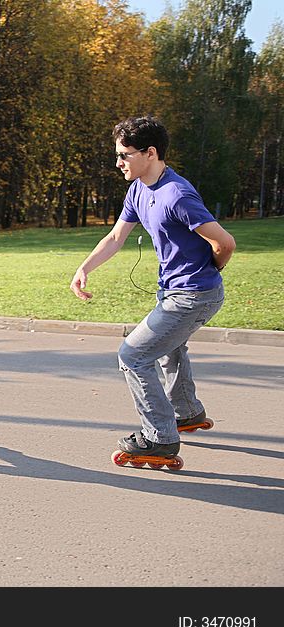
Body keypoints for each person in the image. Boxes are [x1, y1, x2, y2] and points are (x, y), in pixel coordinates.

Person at [70, 116, 236, 459]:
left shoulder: (177, 194)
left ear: (150, 153)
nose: (118, 162)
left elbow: (225, 242)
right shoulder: (138, 189)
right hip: (175, 291)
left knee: (132, 355)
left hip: (193, 295)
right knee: (168, 349)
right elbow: (116, 237)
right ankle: (186, 412)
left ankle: (160, 437)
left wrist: (207, 272)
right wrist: (84, 268)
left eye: (124, 155)